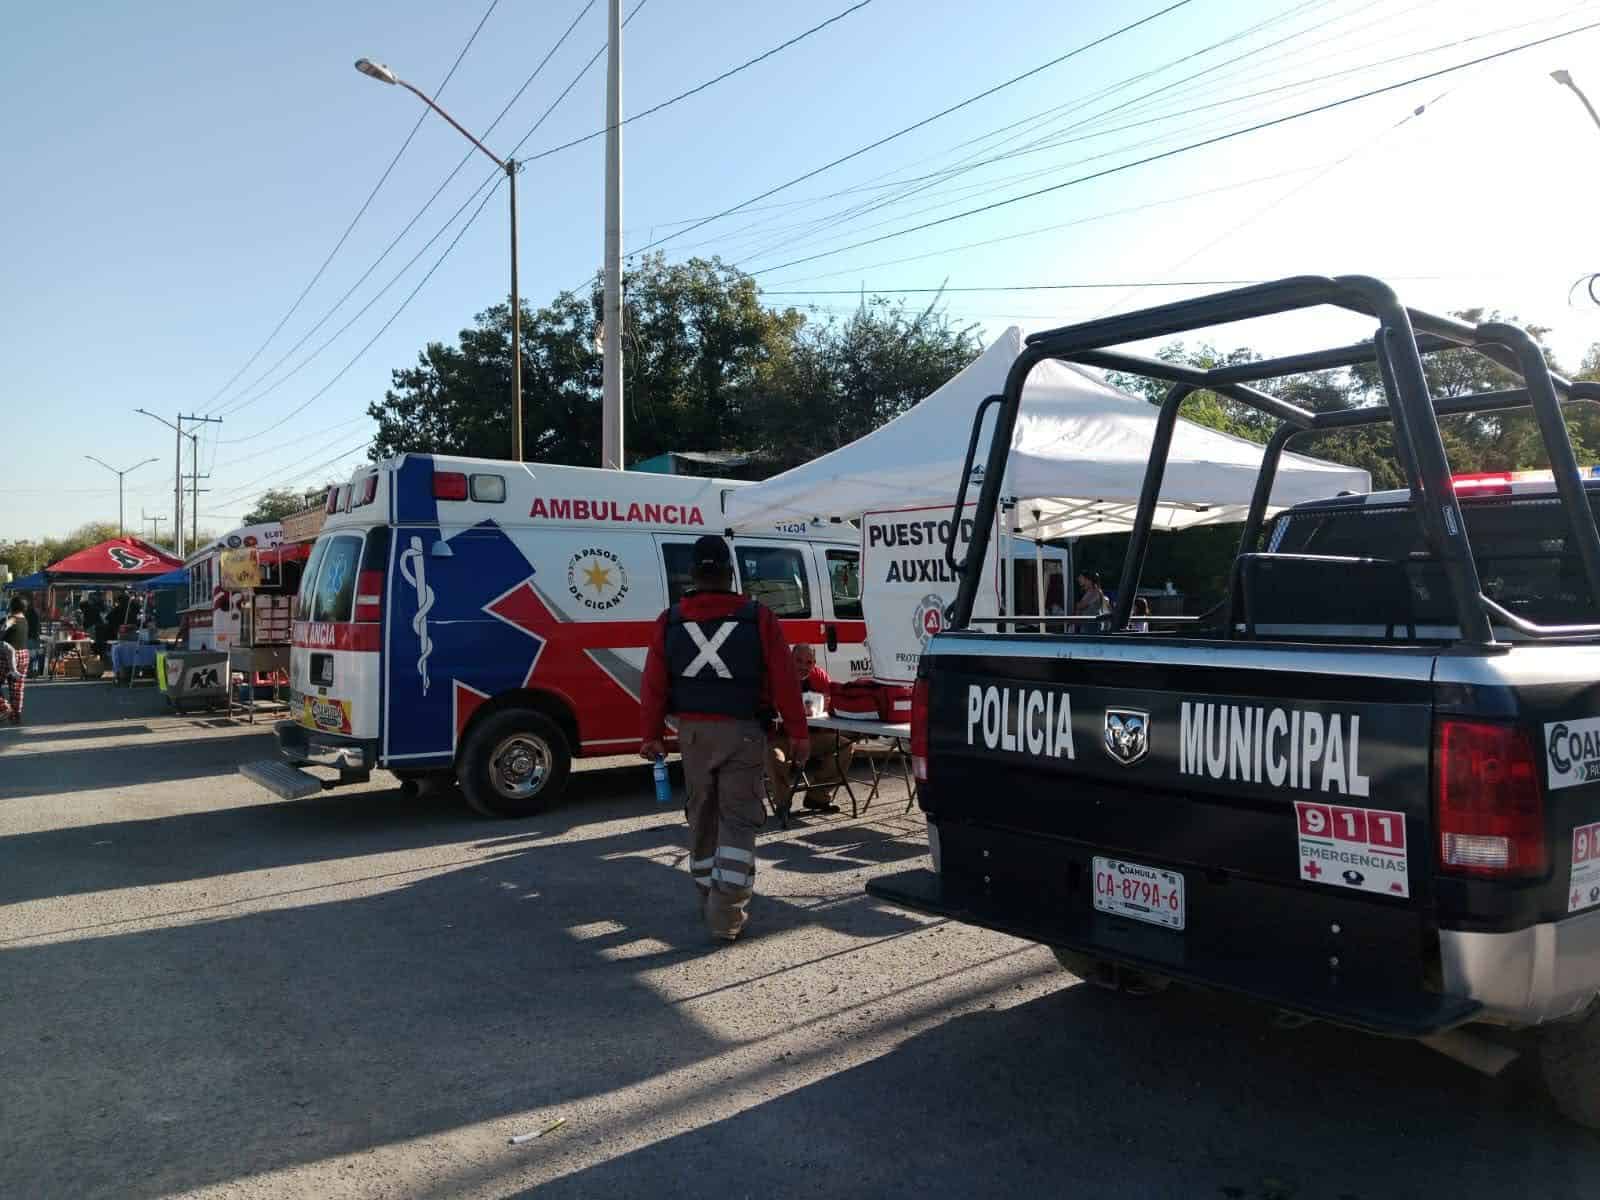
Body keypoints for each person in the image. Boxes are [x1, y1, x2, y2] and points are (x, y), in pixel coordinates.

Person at [640, 535, 807, 944]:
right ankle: (725, 913)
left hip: (693, 736)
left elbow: (654, 684)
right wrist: (799, 732)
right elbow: (786, 680)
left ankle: (706, 895)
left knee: (702, 816)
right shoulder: (759, 617)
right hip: (744, 733)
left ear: (693, 574)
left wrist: (652, 735)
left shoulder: (670, 619)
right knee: (737, 819)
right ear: (731, 573)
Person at [766, 643, 856, 818]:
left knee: (845, 746)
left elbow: (832, 707)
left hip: (811, 736)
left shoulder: (820, 677)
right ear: (789, 660)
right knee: (774, 757)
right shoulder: (777, 677)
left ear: (814, 663)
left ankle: (818, 797)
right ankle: (783, 803)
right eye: (798, 661)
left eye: (808, 662)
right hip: (782, 737)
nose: (802, 666)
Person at [1, 598, 29, 723]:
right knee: (17, 687)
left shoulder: (12, 618)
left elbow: (7, 625)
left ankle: (4, 708)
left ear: (12, 606)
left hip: (7, 654)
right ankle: (16, 716)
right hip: (23, 654)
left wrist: (4, 626)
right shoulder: (24, 620)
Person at [23, 595, 42, 677]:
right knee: (34, 656)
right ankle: (34, 671)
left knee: (30, 656)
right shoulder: (35, 612)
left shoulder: (28, 613)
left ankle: (31, 672)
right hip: (35, 637)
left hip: (30, 637)